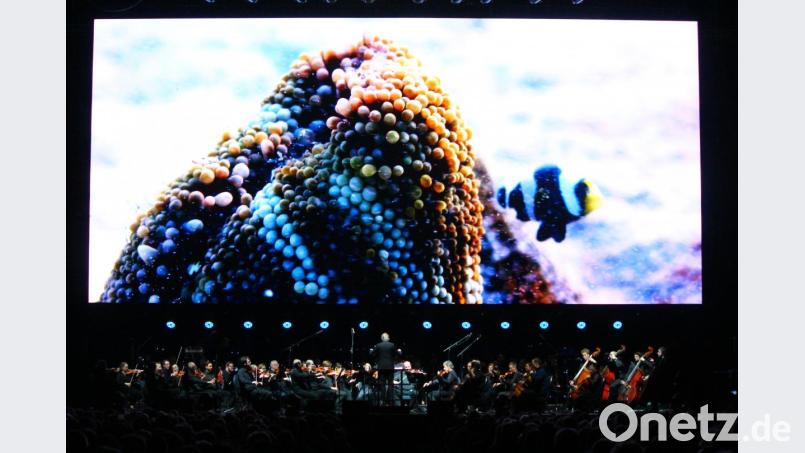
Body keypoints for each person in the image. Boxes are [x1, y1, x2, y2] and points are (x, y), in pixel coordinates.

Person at [370, 333, 401, 405]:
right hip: (390, 367)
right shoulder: (392, 345)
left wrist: (371, 351)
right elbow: (397, 354)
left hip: (381, 367)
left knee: (382, 384)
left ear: (382, 338)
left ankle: (383, 400)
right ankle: (390, 400)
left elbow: (372, 355)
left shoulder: (378, 345)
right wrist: (400, 352)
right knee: (390, 384)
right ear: (388, 338)